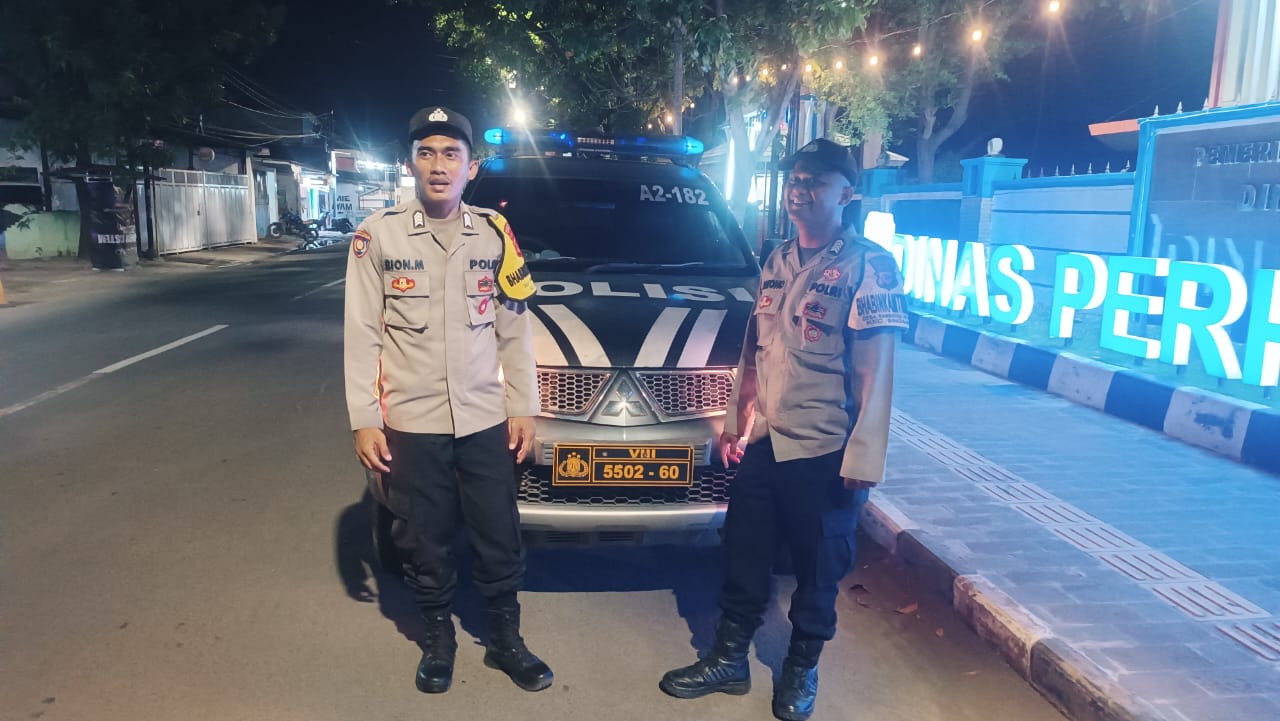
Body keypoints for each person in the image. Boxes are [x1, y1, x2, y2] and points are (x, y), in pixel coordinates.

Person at [659, 138, 908, 721]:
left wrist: (863, 458)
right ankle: (729, 659)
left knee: (819, 568)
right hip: (767, 440)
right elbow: (755, 350)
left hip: (825, 448)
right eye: (795, 178)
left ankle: (801, 667)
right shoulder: (776, 259)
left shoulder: (870, 266)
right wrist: (735, 422)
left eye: (816, 180)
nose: (800, 189)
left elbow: (876, 372)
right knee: (743, 551)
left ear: (847, 194)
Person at [343, 106, 551, 694]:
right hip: (412, 419)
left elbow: (514, 329)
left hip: (485, 415)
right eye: (428, 153)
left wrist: (524, 405)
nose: (439, 165)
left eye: (452, 154)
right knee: (423, 535)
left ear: (471, 167)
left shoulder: (495, 234)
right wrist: (364, 419)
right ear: (410, 163)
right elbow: (362, 334)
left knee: (498, 529)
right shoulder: (376, 237)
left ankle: (505, 639)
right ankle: (438, 638)